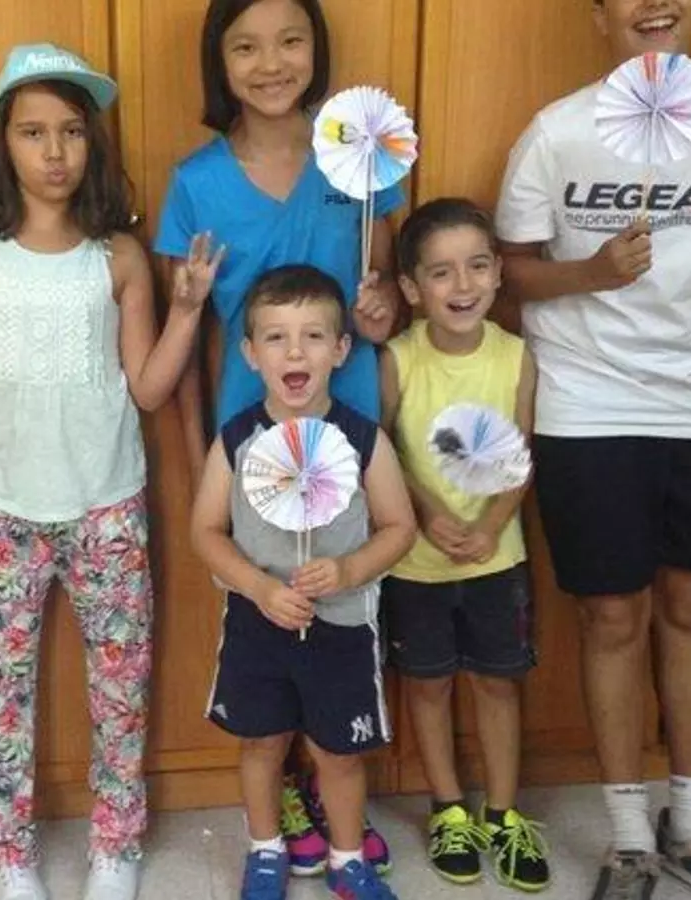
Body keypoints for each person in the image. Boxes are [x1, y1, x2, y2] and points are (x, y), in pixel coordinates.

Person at [0, 42, 216, 900]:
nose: (55, 151)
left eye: (71, 131)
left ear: (91, 143)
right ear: (5, 143)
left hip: (107, 500)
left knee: (121, 687)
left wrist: (185, 312)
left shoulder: (118, 256)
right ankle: (9, 854)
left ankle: (117, 844)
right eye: (33, 132)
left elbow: (148, 386)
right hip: (2, 503)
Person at [494, 2, 691, 897]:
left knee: (690, 603)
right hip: (586, 401)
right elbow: (510, 272)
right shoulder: (558, 130)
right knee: (612, 614)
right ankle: (629, 838)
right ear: (600, 14)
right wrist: (591, 271)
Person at [155, 0, 404, 873]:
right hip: (248, 437)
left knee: (339, 612)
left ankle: (333, 790)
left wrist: (385, 308)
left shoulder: (362, 159)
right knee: (267, 612)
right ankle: (284, 794)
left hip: (349, 425)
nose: (271, 63)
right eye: (246, 46)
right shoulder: (195, 182)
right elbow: (192, 336)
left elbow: (385, 296)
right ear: (218, 61)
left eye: (291, 40)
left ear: (317, 50)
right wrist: (197, 454)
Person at [190, 264, 416, 900]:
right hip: (258, 623)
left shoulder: (363, 439)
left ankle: (349, 859)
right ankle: (266, 849)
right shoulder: (236, 440)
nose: (295, 353)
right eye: (277, 337)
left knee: (340, 754)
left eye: (313, 336)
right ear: (250, 353)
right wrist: (258, 587)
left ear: (340, 350)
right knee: (262, 743)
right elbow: (204, 531)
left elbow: (400, 527)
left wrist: (348, 570)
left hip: (342, 627)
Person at [379, 198, 549, 893]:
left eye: (478, 266)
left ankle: (504, 814)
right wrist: (423, 513)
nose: (463, 284)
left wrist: (490, 525)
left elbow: (523, 454)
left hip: (496, 558)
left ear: (499, 272)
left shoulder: (516, 356)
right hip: (414, 563)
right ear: (412, 288)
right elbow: (379, 449)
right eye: (442, 272)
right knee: (427, 685)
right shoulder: (398, 358)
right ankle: (448, 807)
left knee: (496, 683)